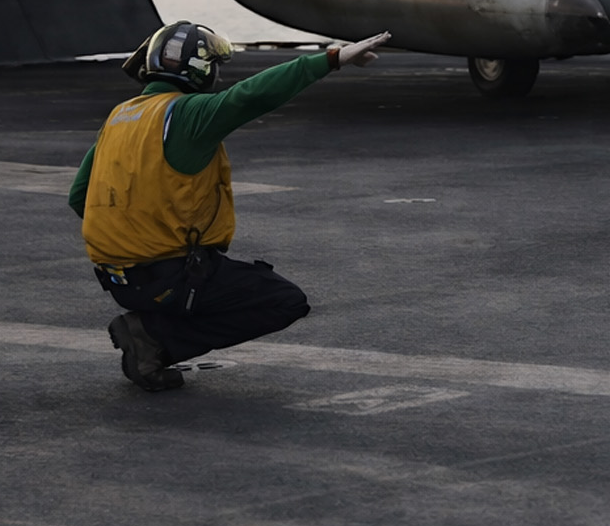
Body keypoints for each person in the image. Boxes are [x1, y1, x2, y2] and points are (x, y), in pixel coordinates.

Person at [68, 21, 391, 392]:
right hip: (170, 281)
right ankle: (152, 337)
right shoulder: (186, 114)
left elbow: (80, 197)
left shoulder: (120, 117)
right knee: (284, 301)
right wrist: (332, 58)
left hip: (119, 280)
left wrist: (136, 235)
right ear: (201, 69)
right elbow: (251, 95)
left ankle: (151, 332)